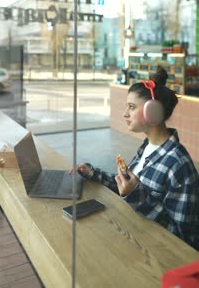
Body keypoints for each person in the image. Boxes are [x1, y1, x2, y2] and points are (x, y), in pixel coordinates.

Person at [76, 66, 199, 250]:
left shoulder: (179, 166)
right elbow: (128, 187)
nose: (125, 113)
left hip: (156, 255)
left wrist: (137, 196)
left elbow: (183, 239)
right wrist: (94, 173)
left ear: (153, 112)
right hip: (134, 237)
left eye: (131, 107)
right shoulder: (147, 148)